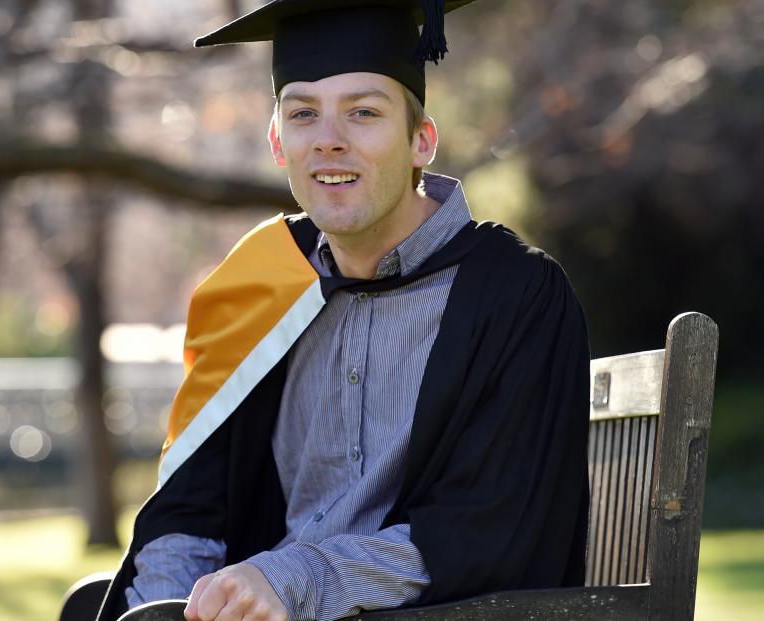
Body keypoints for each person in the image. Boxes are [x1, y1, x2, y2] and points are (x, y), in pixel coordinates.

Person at [96, 2, 590, 620]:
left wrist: (297, 579)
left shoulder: (514, 296)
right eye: (303, 113)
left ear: (421, 141)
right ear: (278, 141)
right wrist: (161, 608)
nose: (329, 139)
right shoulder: (262, 290)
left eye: (363, 112)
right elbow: (191, 514)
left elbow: (494, 529)